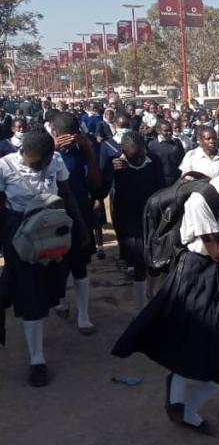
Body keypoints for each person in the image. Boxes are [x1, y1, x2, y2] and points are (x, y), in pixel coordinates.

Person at [113, 155, 219, 433]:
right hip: (196, 274)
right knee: (193, 342)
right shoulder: (201, 201)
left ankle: (186, 402)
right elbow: (217, 252)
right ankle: (185, 409)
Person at [0, 128, 89, 386]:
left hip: (52, 230)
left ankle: (8, 290)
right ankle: (37, 360)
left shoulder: (56, 161)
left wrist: (80, 226)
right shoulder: (4, 167)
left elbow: (67, 193)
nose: (48, 162)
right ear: (35, 155)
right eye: (44, 159)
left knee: (53, 290)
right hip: (20, 235)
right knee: (31, 299)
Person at [51, 112, 102, 334]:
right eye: (64, 137)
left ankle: (84, 315)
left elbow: (96, 183)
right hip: (52, 216)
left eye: (73, 136)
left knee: (79, 265)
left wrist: (89, 152)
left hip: (80, 215)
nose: (68, 141)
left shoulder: (83, 153)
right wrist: (50, 148)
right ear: (55, 134)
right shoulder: (47, 153)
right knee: (56, 264)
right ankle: (60, 299)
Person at [107, 132, 165, 310]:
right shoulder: (116, 164)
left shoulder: (153, 161)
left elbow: (161, 188)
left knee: (156, 263)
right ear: (123, 151)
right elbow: (102, 189)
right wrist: (110, 171)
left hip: (152, 218)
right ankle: (140, 309)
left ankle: (150, 290)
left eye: (142, 154)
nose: (139, 159)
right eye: (134, 157)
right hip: (129, 220)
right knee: (139, 264)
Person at [147, 119, 185, 186]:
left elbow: (183, 159)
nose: (169, 132)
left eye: (170, 130)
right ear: (158, 131)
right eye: (166, 131)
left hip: (177, 179)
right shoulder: (152, 145)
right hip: (161, 180)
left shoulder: (177, 142)